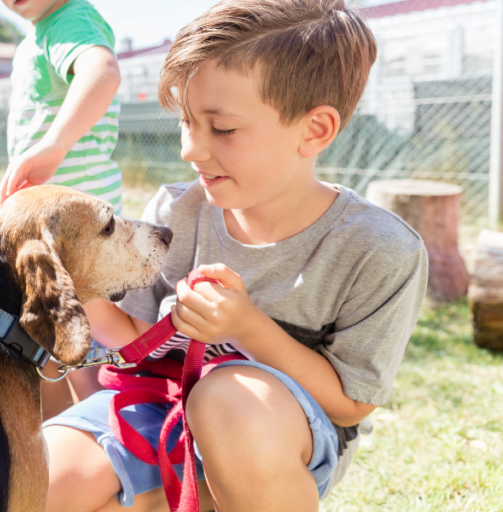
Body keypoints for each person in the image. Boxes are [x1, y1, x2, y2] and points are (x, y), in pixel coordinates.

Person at [41, 1, 428, 510]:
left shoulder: (380, 251)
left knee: (225, 401)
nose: (191, 149)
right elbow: (134, 340)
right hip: (157, 408)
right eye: (186, 121)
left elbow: (351, 403)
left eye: (221, 128)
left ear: (315, 130)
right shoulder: (175, 212)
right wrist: (72, 288)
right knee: (47, 478)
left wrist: (247, 326)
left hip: (269, 437)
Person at [0, 0, 123, 419]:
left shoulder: (70, 19)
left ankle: (102, 433)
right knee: (51, 337)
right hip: (55, 226)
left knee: (80, 337)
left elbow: (101, 72)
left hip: (77, 228)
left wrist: (55, 143)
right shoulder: (40, 32)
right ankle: (64, 433)